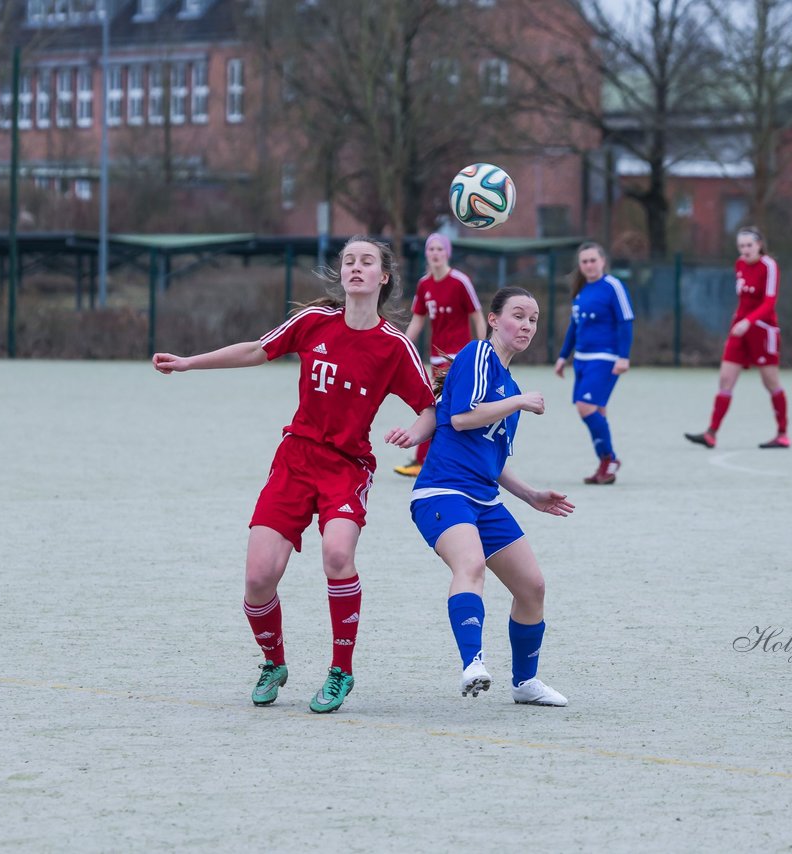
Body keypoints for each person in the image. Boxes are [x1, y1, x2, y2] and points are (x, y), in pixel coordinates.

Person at [152, 236, 436, 714]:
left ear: (383, 277)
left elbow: (430, 408)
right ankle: (273, 663)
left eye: (367, 262)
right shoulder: (313, 322)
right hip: (296, 459)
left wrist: (415, 431)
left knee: (337, 554)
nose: (356, 268)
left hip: (346, 466)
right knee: (259, 578)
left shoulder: (394, 346)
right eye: (349, 261)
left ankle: (341, 671)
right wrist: (188, 363)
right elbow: (255, 350)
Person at [410, 286, 574, 706]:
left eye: (533, 320)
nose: (526, 325)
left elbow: (491, 461)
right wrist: (519, 401)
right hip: (442, 492)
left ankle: (525, 684)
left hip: (484, 499)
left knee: (533, 587)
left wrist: (530, 494)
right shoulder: (478, 355)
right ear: (494, 320)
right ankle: (473, 664)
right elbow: (463, 419)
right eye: (518, 315)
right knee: (471, 564)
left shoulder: (508, 382)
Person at [685, 226, 790, 449]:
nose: (745, 250)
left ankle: (782, 433)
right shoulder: (740, 264)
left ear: (759, 245)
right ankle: (711, 433)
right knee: (725, 379)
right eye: (741, 246)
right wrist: (739, 322)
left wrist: (748, 322)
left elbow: (769, 302)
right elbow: (744, 300)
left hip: (763, 329)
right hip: (739, 330)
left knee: (770, 382)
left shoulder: (769, 266)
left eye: (749, 245)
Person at [394, 232, 484, 478]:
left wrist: (484, 348)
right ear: (426, 254)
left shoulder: (460, 281)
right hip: (436, 358)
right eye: (431, 249)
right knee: (442, 407)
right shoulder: (424, 284)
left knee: (438, 406)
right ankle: (440, 460)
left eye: (439, 249)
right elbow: (418, 321)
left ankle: (424, 460)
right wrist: (400, 345)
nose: (435, 253)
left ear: (447, 253)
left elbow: (477, 316)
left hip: (457, 356)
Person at [553, 242, 634, 485]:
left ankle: (610, 458)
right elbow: (574, 327)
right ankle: (605, 466)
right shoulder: (581, 291)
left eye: (593, 260)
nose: (589, 265)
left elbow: (626, 321)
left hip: (605, 357)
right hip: (582, 359)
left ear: (602, 261)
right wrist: (562, 356)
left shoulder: (613, 286)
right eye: (584, 261)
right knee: (597, 411)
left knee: (584, 406)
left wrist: (624, 356)